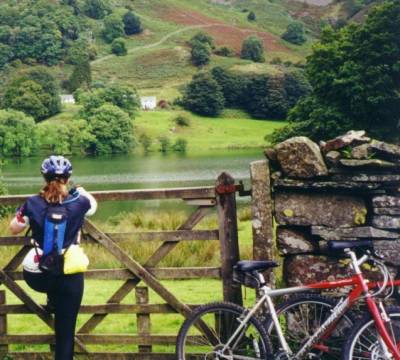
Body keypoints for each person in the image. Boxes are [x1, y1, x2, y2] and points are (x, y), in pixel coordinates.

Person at [9, 155, 97, 360]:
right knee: (65, 337)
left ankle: (51, 299)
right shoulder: (80, 201)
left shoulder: (32, 203)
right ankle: (56, 301)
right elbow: (93, 206)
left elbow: (14, 227)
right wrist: (81, 190)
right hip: (69, 279)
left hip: (40, 277)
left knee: (45, 274)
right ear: (68, 178)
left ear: (44, 178)